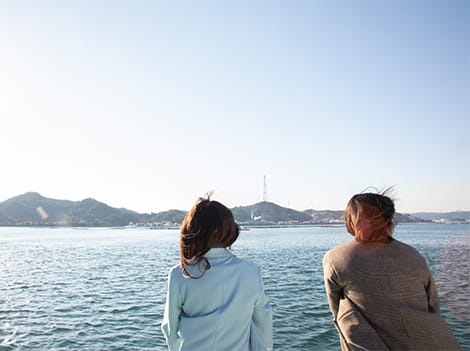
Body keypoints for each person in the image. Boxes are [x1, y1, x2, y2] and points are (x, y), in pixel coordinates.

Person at [322, 192, 461, 351]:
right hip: (438, 343)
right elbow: (433, 304)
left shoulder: (336, 258)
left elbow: (336, 309)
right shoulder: (413, 255)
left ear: (350, 222)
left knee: (346, 304)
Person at [161, 197, 273, 351]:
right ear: (229, 230)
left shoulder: (180, 274)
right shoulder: (251, 271)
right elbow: (263, 319)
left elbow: (170, 327)